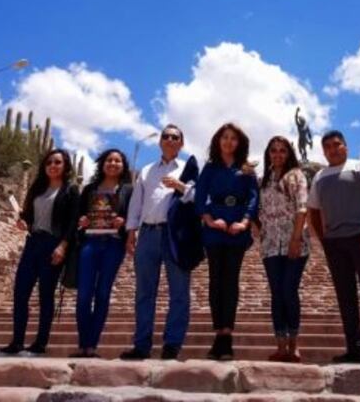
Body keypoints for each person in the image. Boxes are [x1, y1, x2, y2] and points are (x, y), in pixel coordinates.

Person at [307, 130, 360, 364]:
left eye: (337, 145)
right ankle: (355, 349)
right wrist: (323, 238)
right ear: (323, 151)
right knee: (346, 297)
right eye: (328, 147)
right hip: (334, 242)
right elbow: (313, 210)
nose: (333, 150)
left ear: (346, 146)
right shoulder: (319, 177)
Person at [119, 125, 197, 361]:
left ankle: (172, 345)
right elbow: (136, 202)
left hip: (175, 235)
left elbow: (198, 197)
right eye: (166, 136)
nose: (170, 140)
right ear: (160, 142)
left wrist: (181, 187)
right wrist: (131, 230)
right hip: (148, 234)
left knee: (179, 291)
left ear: (181, 143)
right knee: (144, 292)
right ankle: (141, 344)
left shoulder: (188, 168)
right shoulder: (146, 170)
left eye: (176, 137)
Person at [0, 148, 80, 356]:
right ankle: (17, 342)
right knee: (20, 293)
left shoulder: (70, 190)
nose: (53, 165)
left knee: (45, 296)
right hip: (33, 243)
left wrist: (63, 246)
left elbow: (72, 223)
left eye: (58, 162)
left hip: (53, 245)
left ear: (65, 166)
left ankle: (40, 343)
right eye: (49, 162)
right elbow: (28, 215)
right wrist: (23, 221)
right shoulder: (37, 188)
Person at [195, 122, 259, 361]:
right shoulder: (210, 168)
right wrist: (210, 220)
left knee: (231, 280)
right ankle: (217, 333)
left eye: (233, 138)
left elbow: (254, 198)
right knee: (215, 280)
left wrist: (244, 222)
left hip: (237, 229)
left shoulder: (246, 170)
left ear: (239, 143)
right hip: (215, 228)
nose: (229, 141)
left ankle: (227, 335)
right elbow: (200, 195)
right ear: (218, 141)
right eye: (225, 137)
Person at [71, 149, 133, 358]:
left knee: (103, 294)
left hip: (114, 245)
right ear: (103, 163)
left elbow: (133, 215)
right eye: (109, 160)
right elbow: (79, 215)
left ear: (123, 165)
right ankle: (82, 343)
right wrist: (83, 220)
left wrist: (123, 221)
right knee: (84, 294)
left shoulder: (128, 190)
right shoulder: (90, 189)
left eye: (117, 160)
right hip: (90, 242)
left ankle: (92, 346)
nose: (113, 163)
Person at [254, 136, 310, 362]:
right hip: (270, 245)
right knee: (277, 294)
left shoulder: (296, 176)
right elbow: (256, 209)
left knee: (289, 289)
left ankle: (294, 344)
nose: (278, 155)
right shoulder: (264, 180)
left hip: (293, 242)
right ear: (268, 153)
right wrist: (260, 228)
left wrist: (295, 239)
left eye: (282, 151)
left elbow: (302, 208)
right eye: (273, 151)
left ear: (289, 154)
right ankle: (280, 345)